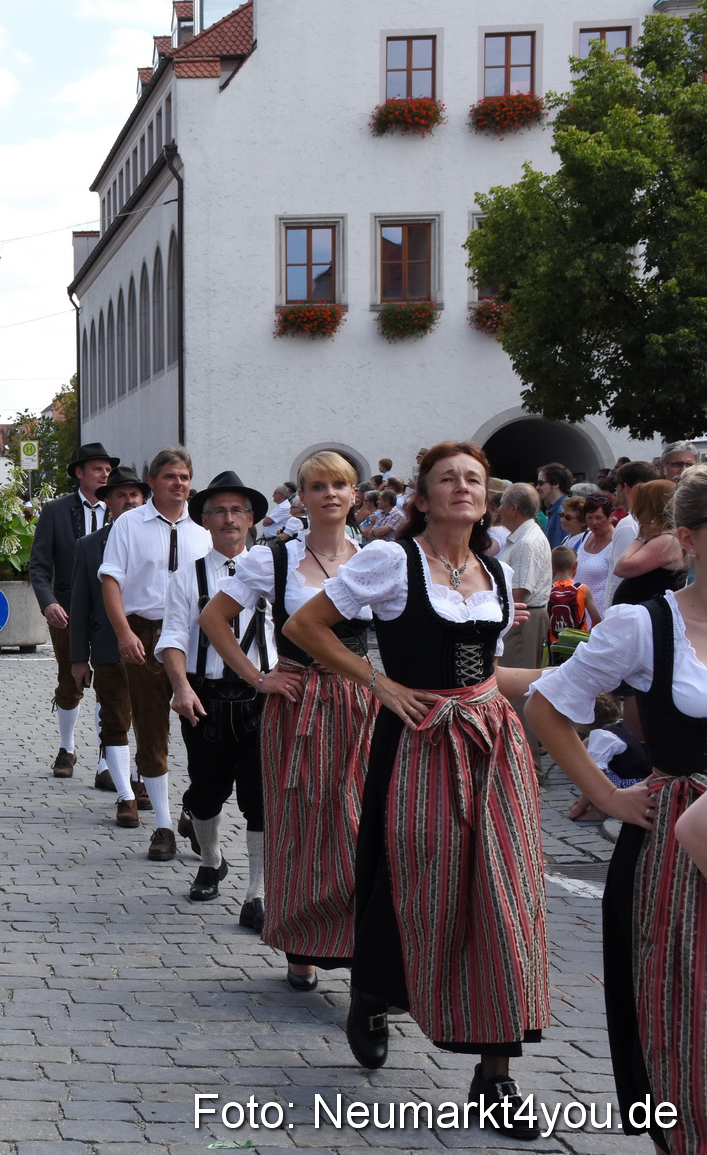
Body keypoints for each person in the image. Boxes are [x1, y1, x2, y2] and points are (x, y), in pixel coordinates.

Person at [285, 442, 547, 1139]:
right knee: (412, 879)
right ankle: (371, 990)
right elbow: (303, 626)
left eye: (474, 479)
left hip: (491, 743)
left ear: (488, 498)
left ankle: (496, 1076)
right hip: (418, 740)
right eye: (446, 479)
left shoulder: (493, 567)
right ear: (422, 498)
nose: (462, 487)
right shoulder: (390, 561)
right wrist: (377, 681)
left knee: (505, 893)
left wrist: (575, 684)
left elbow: (487, 673)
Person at [526, 467, 707, 1152]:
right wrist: (604, 794)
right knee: (684, 1003)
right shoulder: (644, 624)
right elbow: (547, 705)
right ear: (688, 538)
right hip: (674, 837)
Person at [203, 450, 373, 993]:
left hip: (360, 701)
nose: (329, 494)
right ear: (301, 496)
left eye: (339, 485)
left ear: (354, 496)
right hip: (297, 701)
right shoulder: (273, 560)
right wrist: (260, 678)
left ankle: (359, 947)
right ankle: (302, 945)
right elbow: (214, 620)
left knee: (356, 824)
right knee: (300, 824)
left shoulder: (379, 557)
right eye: (317, 485)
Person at [157, 472, 276, 924]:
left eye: (238, 511)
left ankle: (257, 891)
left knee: (259, 797)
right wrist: (181, 687)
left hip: (261, 698)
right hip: (203, 697)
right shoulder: (187, 576)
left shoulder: (272, 570)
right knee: (205, 794)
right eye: (219, 511)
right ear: (204, 521)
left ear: (251, 520)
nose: (229, 519)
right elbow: (172, 638)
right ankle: (210, 861)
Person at [97, 447, 210, 860]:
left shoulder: (203, 529)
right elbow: (111, 580)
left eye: (183, 477)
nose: (178, 483)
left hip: (194, 634)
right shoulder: (130, 523)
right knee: (150, 726)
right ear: (153, 482)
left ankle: (195, 810)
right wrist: (124, 631)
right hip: (143, 630)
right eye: (169, 477)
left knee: (203, 730)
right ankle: (163, 825)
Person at [64, 465, 151, 827]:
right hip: (107, 646)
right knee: (114, 720)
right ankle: (125, 795)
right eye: (120, 495)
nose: (128, 500)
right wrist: (78, 657)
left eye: (134, 494)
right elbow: (80, 604)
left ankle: (144, 778)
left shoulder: (160, 538)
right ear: (108, 503)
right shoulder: (89, 545)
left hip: (153, 648)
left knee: (151, 721)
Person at [29, 445, 122, 778]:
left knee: (110, 683)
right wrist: (48, 601)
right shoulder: (56, 511)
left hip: (112, 610)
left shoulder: (122, 510)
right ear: (80, 473)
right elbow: (38, 566)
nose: (104, 475)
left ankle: (106, 760)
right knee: (70, 681)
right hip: (67, 611)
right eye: (97, 469)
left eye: (107, 470)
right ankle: (66, 748)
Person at [494, 483, 553, 671]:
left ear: (514, 509)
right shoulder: (521, 537)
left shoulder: (527, 542)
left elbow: (518, 593)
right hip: (518, 618)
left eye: (502, 504)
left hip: (522, 620)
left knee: (516, 678)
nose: (498, 509)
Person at [612, 479, 687, 606]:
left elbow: (621, 568)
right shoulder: (665, 536)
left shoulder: (667, 540)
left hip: (649, 617)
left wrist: (641, 536)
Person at [605, 460, 661, 602]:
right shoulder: (658, 520)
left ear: (626, 487)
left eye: (616, 484)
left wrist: (610, 615)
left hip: (626, 611)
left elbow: (619, 579)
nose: (615, 490)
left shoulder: (629, 524)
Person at [535, 462, 572, 547]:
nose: (537, 487)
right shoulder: (557, 508)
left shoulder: (562, 510)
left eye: (541, 483)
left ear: (555, 484)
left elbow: (559, 550)